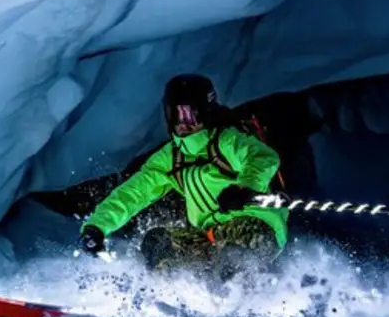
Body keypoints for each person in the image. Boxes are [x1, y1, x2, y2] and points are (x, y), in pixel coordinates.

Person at [78, 74, 289, 278]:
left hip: (254, 226)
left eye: (190, 114)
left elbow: (262, 157)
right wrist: (97, 226)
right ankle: (171, 298)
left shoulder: (227, 141)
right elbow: (133, 193)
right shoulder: (171, 157)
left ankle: (241, 299)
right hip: (209, 235)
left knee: (231, 255)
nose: (183, 122)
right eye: (175, 114)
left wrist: (245, 187)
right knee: (158, 242)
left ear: (206, 112)